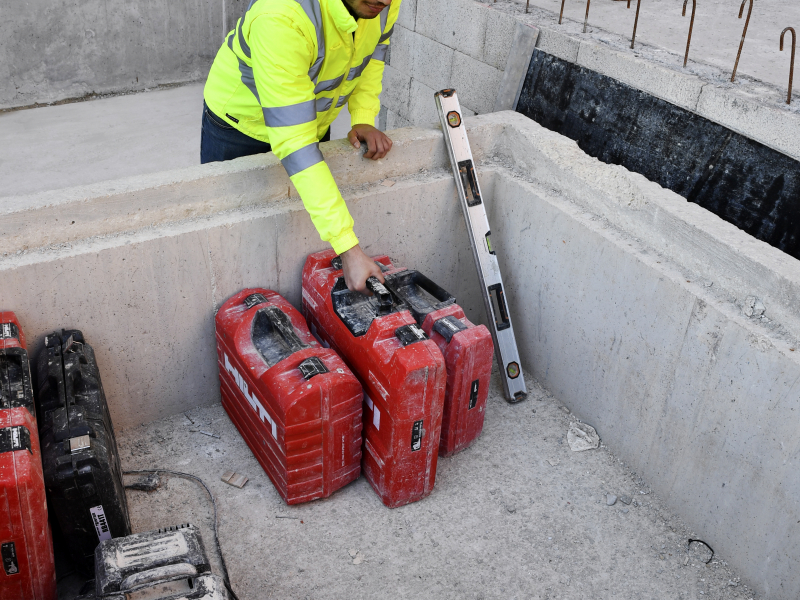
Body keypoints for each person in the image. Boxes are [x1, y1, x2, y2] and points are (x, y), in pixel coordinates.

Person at [202, 0, 400, 293]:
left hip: (309, 117)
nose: (385, 0)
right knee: (232, 242)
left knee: (300, 221)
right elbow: (296, 143)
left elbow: (374, 55)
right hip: (240, 126)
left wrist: (363, 118)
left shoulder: (381, 3)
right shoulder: (280, 14)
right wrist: (349, 248)